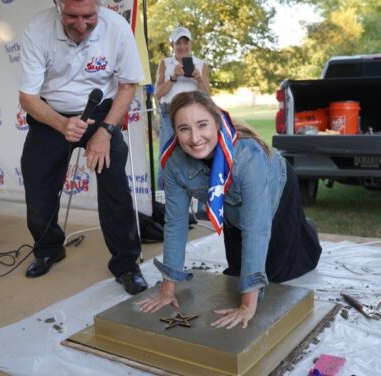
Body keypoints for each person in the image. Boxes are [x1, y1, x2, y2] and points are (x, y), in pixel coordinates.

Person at [139, 91, 322, 329]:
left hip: (275, 184)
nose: (195, 138)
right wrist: (167, 288)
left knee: (278, 275)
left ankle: (307, 229)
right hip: (230, 202)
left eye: (202, 125)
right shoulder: (173, 165)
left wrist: (248, 305)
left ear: (217, 122)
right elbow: (175, 225)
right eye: (184, 129)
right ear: (175, 131)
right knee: (236, 274)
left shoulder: (247, 156)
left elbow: (256, 229)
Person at [18, 0, 148, 295]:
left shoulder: (117, 28)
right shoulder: (37, 30)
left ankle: (126, 264)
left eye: (89, 16)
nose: (80, 24)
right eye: (71, 16)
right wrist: (62, 125)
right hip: (51, 113)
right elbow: (28, 97)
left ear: (99, 6)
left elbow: (128, 85)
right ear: (57, 5)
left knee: (114, 183)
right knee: (37, 186)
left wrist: (105, 131)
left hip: (101, 112)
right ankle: (49, 248)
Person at [155, 26, 210, 189]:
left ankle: (198, 202)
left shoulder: (201, 65)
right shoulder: (165, 63)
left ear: (191, 44)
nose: (182, 46)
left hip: (195, 117)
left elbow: (208, 96)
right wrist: (173, 77)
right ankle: (162, 201)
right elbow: (157, 94)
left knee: (197, 156)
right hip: (169, 115)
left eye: (186, 42)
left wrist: (200, 80)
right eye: (178, 42)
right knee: (166, 158)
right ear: (172, 45)